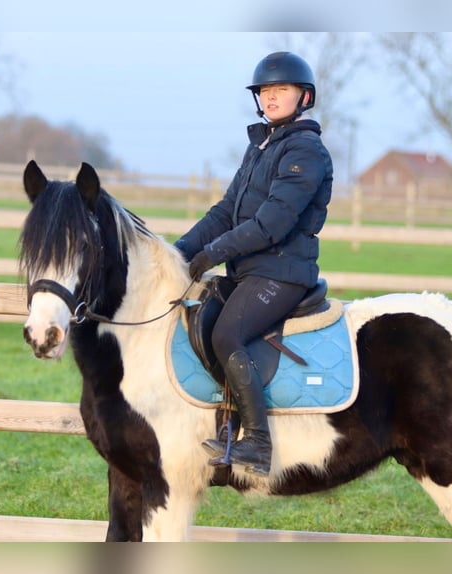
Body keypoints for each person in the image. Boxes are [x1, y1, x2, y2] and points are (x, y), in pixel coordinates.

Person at [174, 51, 334, 477]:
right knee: (200, 317)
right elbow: (226, 211)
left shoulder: (306, 150)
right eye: (265, 90)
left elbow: (272, 224)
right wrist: (181, 251)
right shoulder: (261, 147)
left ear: (304, 97)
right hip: (250, 272)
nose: (271, 97)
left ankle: (259, 445)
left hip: (283, 272)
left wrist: (214, 254)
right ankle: (223, 426)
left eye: (281, 89)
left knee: (228, 333)